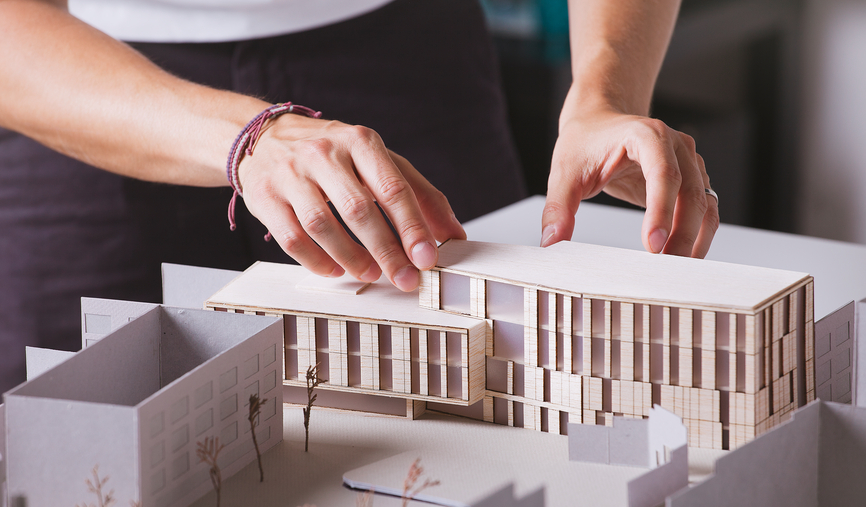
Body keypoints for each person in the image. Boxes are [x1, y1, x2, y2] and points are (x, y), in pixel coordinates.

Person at [0, 0, 717, 393]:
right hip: (90, 81)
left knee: (490, 407)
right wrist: (250, 137)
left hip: (406, 52)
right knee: (84, 457)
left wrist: (603, 92)